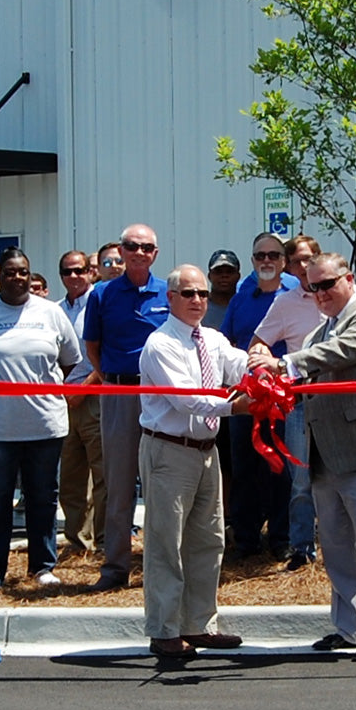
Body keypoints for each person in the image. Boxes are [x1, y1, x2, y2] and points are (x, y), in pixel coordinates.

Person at [250, 253, 356, 660]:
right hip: (322, 452)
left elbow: (341, 351)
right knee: (336, 547)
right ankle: (349, 628)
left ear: (349, 279)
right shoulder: (319, 331)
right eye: (312, 287)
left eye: (327, 284)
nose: (320, 293)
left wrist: (283, 363)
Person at [139, 265, 251, 658]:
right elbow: (186, 399)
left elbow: (239, 364)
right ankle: (165, 630)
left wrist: (266, 365)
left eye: (203, 293)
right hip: (168, 450)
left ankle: (199, 624)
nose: (198, 300)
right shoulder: (160, 344)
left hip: (206, 450)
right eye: (188, 293)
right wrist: (235, 406)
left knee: (208, 540)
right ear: (170, 298)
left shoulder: (213, 339)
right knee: (166, 544)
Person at [0, 247, 80, 589]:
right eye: (10, 272)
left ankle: (42, 566)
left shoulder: (51, 313)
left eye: (23, 272)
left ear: (30, 275)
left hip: (44, 425)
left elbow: (69, 361)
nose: (17, 277)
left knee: (42, 498)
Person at [83, 224, 168, 590]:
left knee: (161, 483)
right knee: (118, 484)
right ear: (121, 250)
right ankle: (116, 568)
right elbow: (92, 347)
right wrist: (112, 378)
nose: (138, 253)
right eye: (132, 246)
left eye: (146, 247)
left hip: (160, 396)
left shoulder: (169, 291)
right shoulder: (102, 294)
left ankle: (159, 568)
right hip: (118, 394)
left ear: (155, 253)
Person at [249, 233, 323, 570]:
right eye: (296, 261)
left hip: (342, 399)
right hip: (301, 400)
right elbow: (258, 343)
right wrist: (264, 367)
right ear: (289, 267)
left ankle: (341, 545)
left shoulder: (344, 294)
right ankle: (302, 548)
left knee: (343, 476)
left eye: (308, 259)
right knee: (301, 481)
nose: (303, 266)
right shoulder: (285, 303)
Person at [221, 231, 294, 560]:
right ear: (252, 261)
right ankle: (246, 540)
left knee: (282, 469)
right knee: (244, 469)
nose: (266, 261)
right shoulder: (240, 298)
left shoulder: (296, 296)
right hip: (247, 396)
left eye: (273, 255)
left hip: (286, 397)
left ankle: (281, 538)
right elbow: (227, 343)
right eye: (260, 255)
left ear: (283, 261)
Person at [56, 249, 106, 554]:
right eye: (67, 271)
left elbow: (107, 353)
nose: (74, 276)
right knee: (71, 476)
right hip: (62, 401)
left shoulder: (100, 304)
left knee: (103, 473)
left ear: (90, 271)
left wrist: (84, 389)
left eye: (79, 270)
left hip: (95, 396)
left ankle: (104, 540)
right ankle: (77, 540)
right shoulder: (54, 310)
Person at [201, 249, 240, 330]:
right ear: (209, 276)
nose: (224, 276)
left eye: (229, 272)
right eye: (218, 272)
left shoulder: (245, 306)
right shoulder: (199, 307)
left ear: (238, 276)